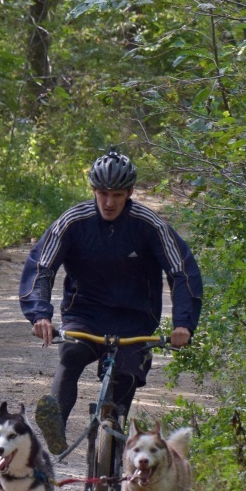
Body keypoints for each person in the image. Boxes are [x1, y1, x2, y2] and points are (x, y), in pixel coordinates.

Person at [19, 148, 203, 458]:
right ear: (93, 190)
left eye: (117, 194)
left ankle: (115, 451)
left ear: (130, 192)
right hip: (85, 315)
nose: (109, 202)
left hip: (136, 321)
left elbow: (182, 272)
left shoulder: (150, 225)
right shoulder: (74, 221)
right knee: (72, 356)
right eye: (103, 193)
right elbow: (41, 266)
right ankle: (56, 425)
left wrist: (183, 323)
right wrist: (40, 314)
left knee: (126, 376)